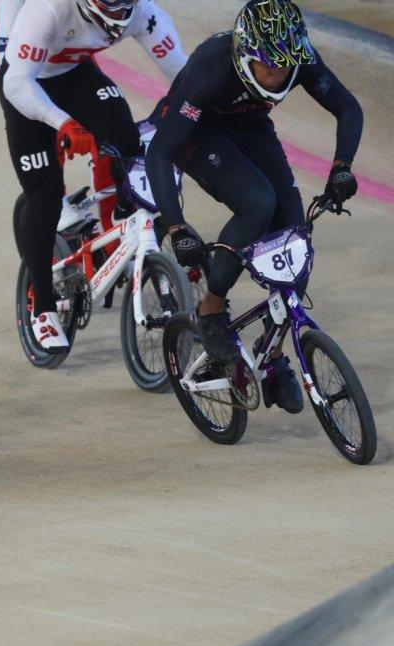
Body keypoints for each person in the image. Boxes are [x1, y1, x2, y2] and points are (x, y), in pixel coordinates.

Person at [145, 0, 362, 413]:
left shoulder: (292, 56)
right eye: (268, 66)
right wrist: (177, 227)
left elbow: (348, 108)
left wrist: (341, 169)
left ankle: (272, 351)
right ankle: (211, 309)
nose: (278, 74)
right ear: (245, 55)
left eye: (285, 66)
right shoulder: (210, 69)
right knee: (257, 202)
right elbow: (161, 152)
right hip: (197, 133)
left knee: (294, 240)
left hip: (249, 126)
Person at [0, 0, 186, 353]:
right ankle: (42, 305)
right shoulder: (50, 8)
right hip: (27, 85)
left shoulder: (141, 11)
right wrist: (64, 124)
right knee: (45, 195)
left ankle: (120, 218)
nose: (119, 15)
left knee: (128, 143)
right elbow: (15, 83)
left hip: (75, 76)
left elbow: (186, 77)